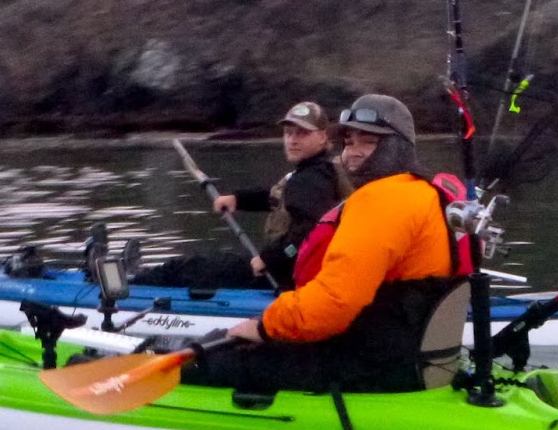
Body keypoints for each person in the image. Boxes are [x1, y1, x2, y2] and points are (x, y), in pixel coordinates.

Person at [195, 93, 465, 394]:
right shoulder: (427, 194)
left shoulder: (381, 202)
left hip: (376, 365)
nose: (353, 151)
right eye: (349, 142)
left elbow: (334, 304)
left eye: (369, 141)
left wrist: (262, 326)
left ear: (398, 146)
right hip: (415, 355)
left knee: (207, 359)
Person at [130, 101, 350, 291]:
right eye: (288, 132)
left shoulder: (310, 180)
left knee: (187, 268)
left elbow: (308, 234)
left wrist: (269, 259)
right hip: (283, 270)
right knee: (204, 265)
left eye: (303, 133)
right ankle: (138, 276)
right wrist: (238, 199)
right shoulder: (317, 171)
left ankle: (128, 287)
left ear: (322, 137)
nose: (292, 140)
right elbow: (280, 198)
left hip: (280, 278)